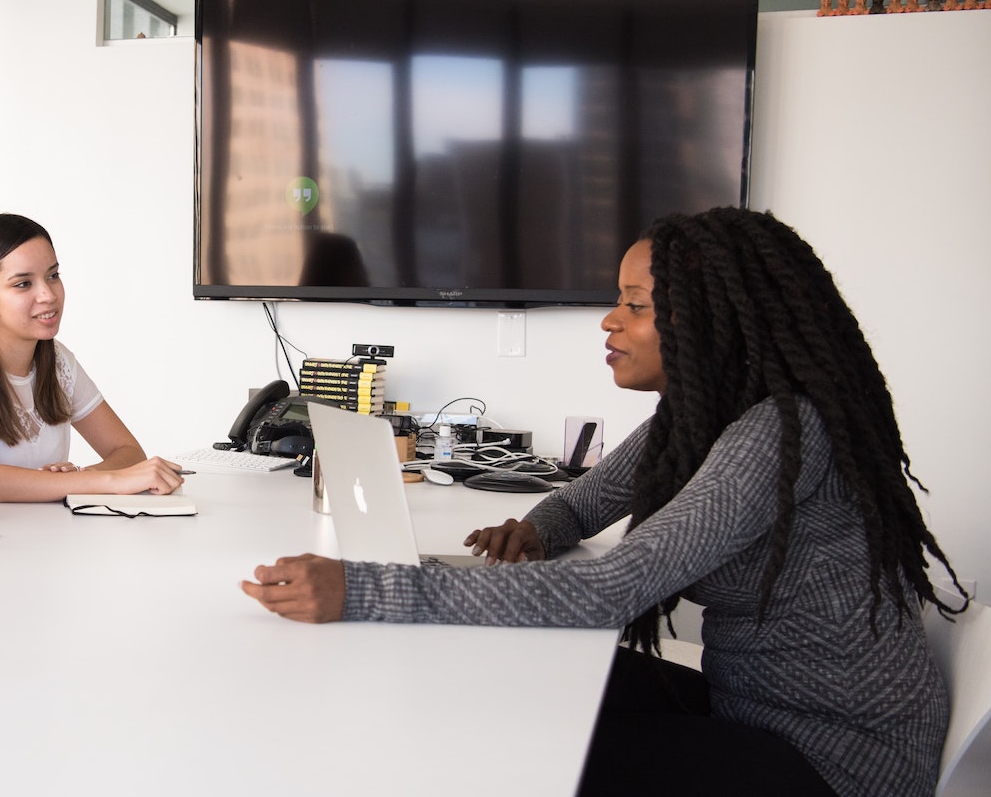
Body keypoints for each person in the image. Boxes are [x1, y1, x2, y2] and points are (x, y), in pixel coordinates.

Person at [240, 207, 966, 797]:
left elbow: (610, 590)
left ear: (713, 320)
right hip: (753, 707)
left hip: (831, 762)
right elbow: (583, 505)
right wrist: (536, 528)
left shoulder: (779, 431)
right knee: (522, 683)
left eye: (635, 304)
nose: (608, 321)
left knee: (528, 749)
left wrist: (363, 589)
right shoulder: (697, 419)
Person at [0, 213, 183, 504]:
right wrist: (94, 481)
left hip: (48, 539)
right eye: (23, 284)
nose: (48, 295)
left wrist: (76, 478)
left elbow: (127, 451)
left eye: (53, 276)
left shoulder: (58, 360)